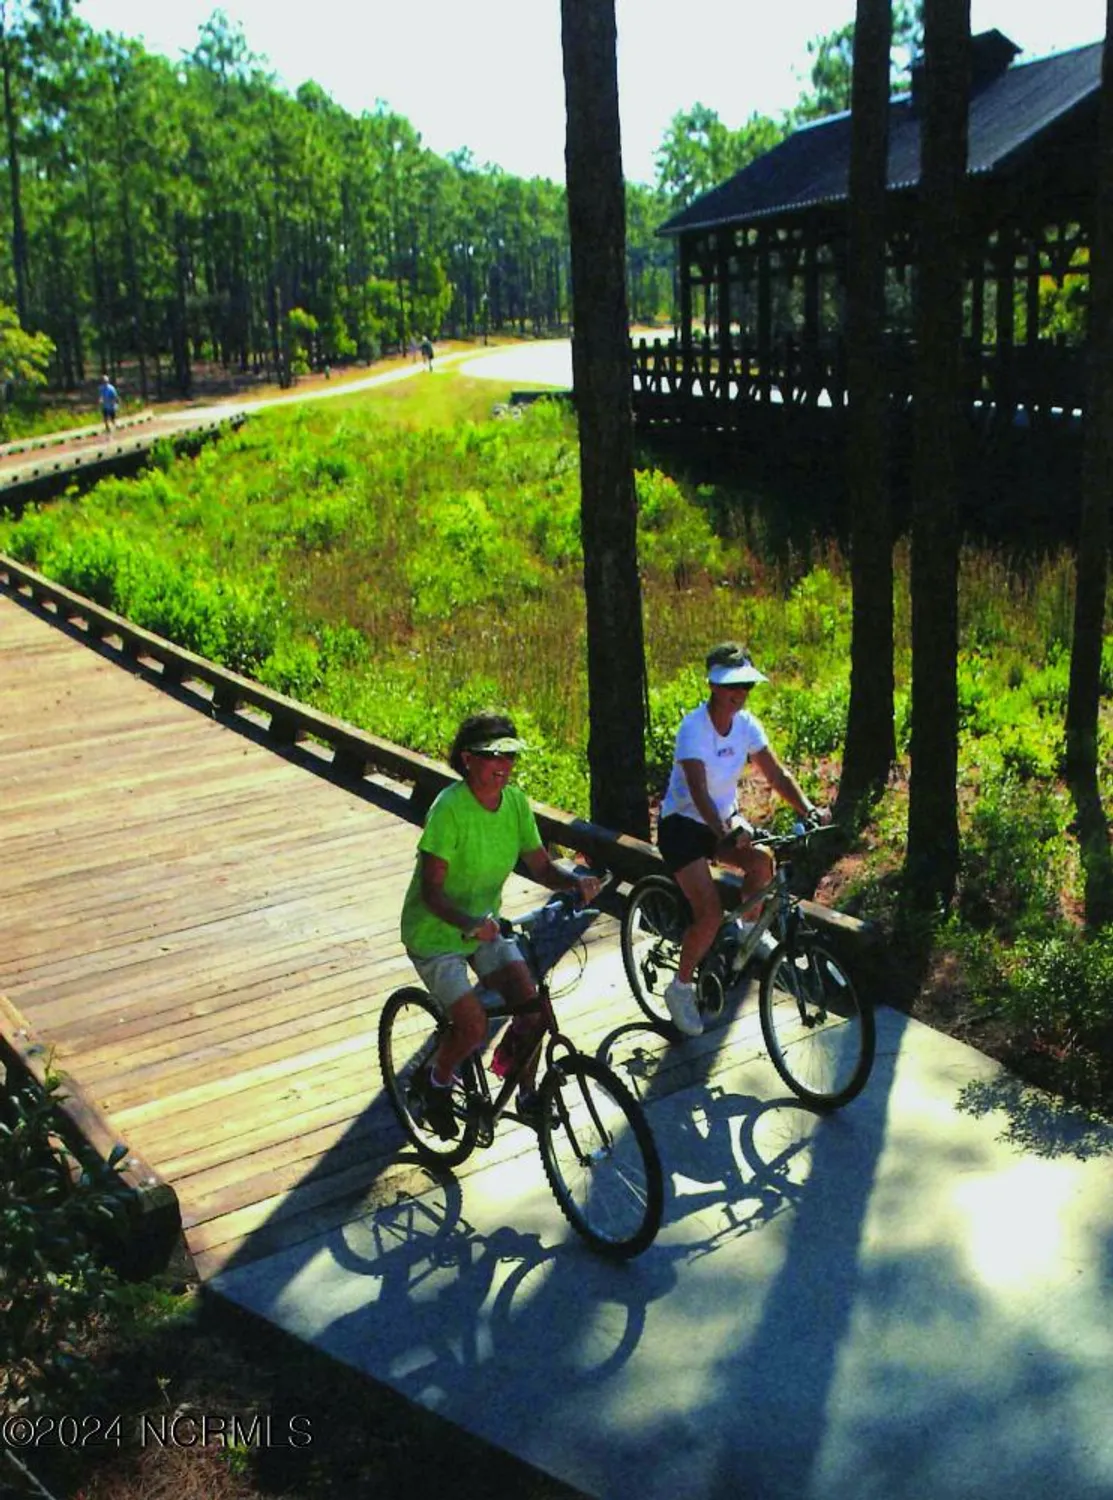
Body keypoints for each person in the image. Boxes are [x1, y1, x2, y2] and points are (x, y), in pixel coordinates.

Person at [399, 710, 601, 1137]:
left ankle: (525, 1095)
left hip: (485, 928)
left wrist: (575, 883)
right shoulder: (449, 809)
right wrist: (470, 924)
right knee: (472, 1025)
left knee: (532, 1009)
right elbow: (431, 893)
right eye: (493, 756)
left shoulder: (514, 803)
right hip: (435, 935)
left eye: (509, 756)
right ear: (468, 759)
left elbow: (541, 866)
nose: (503, 766)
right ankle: (437, 1081)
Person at [656, 642, 830, 1038]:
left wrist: (809, 810)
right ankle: (680, 987)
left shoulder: (747, 725)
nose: (741, 693)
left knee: (761, 863)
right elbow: (698, 792)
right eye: (732, 685)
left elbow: (776, 773)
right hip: (683, 826)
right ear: (714, 686)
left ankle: (746, 934)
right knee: (710, 912)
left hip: (722, 821)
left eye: (747, 685)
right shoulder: (693, 728)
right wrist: (725, 833)